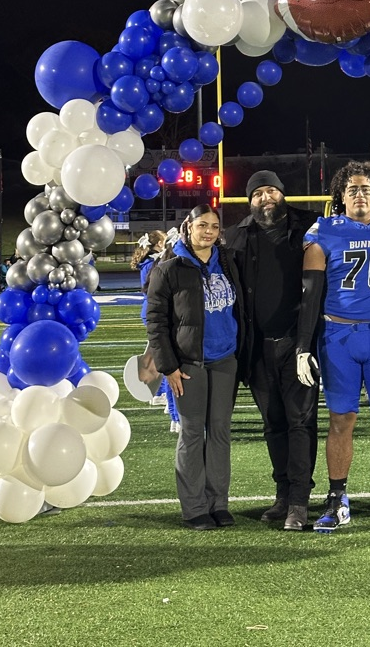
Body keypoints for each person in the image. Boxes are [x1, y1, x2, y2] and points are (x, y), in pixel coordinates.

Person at [296, 160, 370, 534]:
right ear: (340, 197)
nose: (360, 194)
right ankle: (337, 498)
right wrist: (304, 345)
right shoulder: (325, 230)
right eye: (352, 189)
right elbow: (310, 292)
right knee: (340, 420)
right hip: (338, 336)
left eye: (366, 189)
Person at [224, 170, 321, 533]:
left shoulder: (312, 226)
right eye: (258, 193)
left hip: (298, 344)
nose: (266, 198)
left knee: (300, 422)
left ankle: (300, 500)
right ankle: (283, 493)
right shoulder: (237, 236)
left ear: (283, 194)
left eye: (272, 191)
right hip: (258, 348)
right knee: (273, 424)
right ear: (249, 201)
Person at [146, 204, 245, 531]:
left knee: (220, 432)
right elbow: (156, 321)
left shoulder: (227, 261)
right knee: (191, 433)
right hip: (188, 364)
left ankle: (219, 503)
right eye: (202, 225)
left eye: (214, 227)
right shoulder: (169, 266)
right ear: (188, 227)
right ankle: (194, 508)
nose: (209, 232)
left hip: (225, 359)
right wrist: (168, 366)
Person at [131, 229, 181, 431]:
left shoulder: (156, 264)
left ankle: (172, 413)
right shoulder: (163, 266)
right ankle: (167, 404)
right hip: (161, 316)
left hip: (155, 314)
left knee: (166, 362)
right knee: (168, 364)